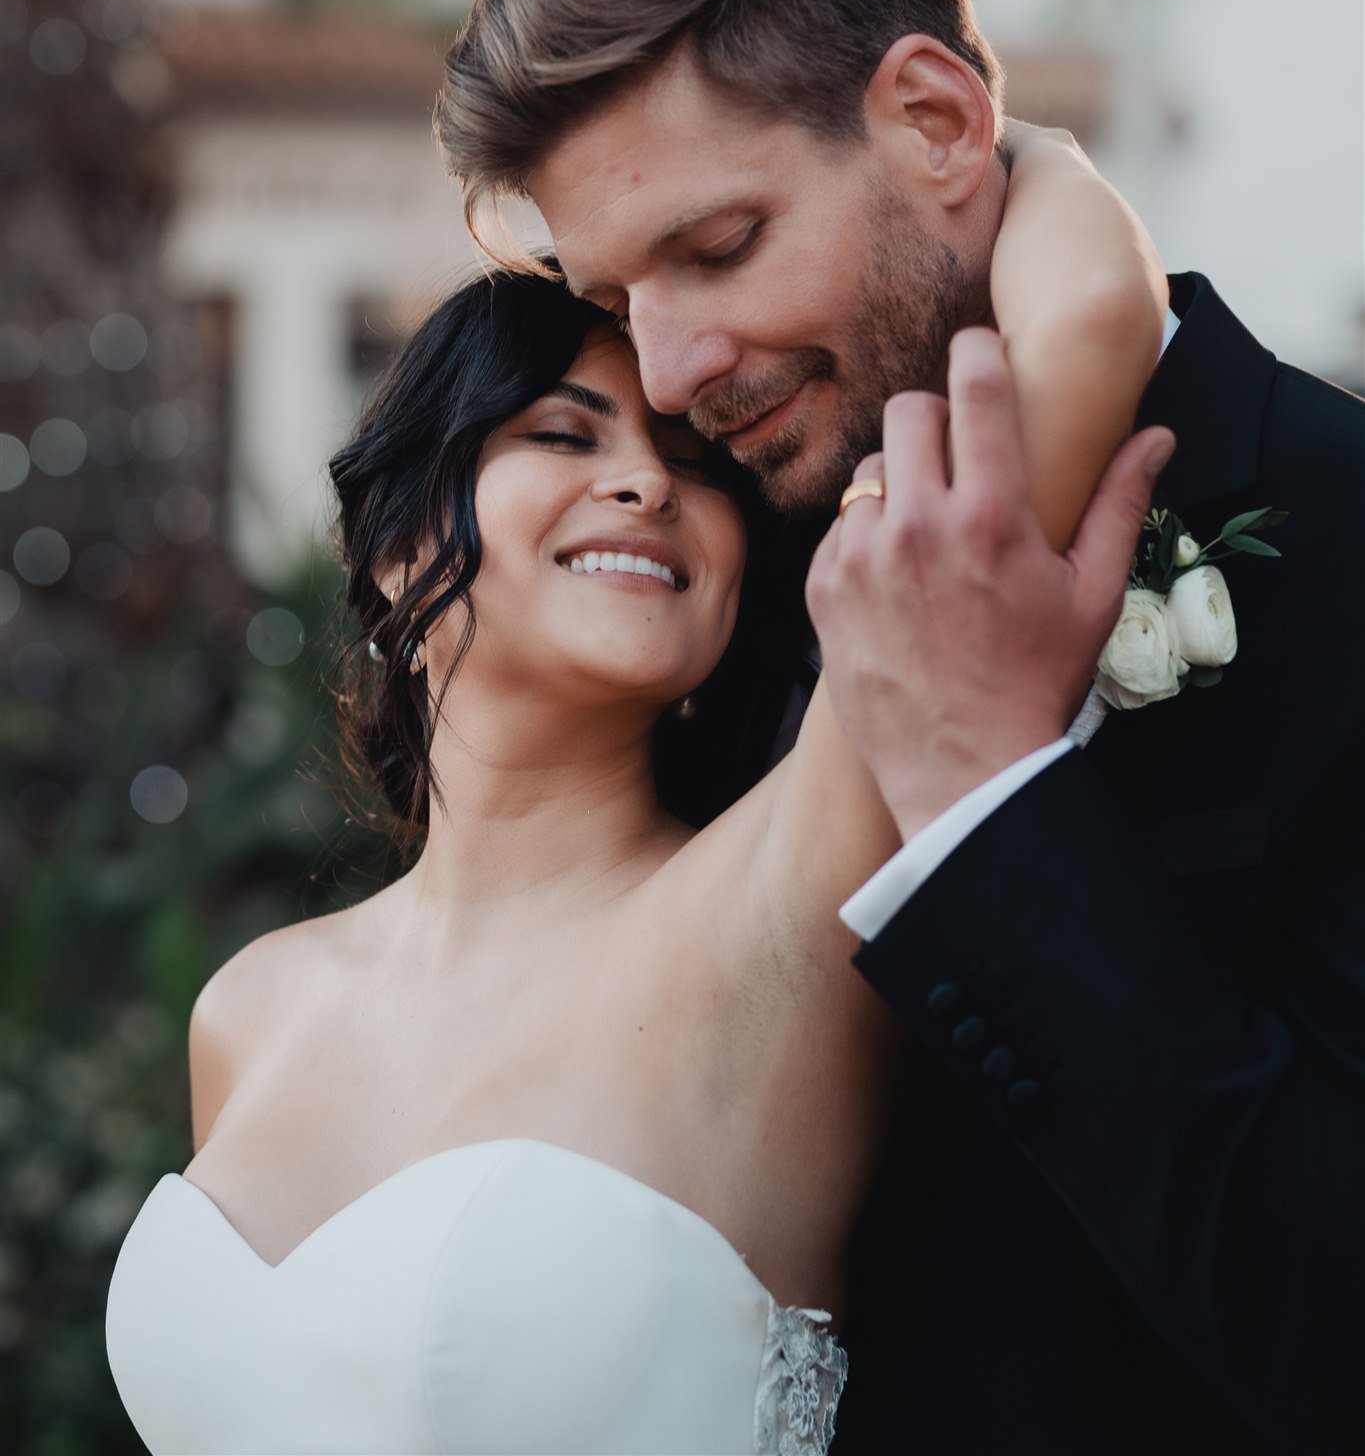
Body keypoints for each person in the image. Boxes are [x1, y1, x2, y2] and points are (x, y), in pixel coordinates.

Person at [436, 0, 1365, 1456]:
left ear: (935, 119)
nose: (670, 369)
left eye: (718, 247)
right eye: (616, 291)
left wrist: (994, 795)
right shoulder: (726, 576)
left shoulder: (1343, 535)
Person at [104, 168, 1164, 1455]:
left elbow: (1092, 313)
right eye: (564, 433)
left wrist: (958, 136)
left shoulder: (775, 895)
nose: (645, 486)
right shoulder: (250, 1007)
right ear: (394, 548)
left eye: (692, 463)